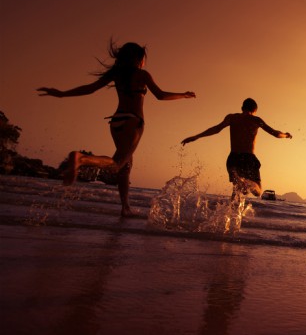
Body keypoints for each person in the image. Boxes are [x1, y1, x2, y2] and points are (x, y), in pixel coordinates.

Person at [38, 40, 196, 217]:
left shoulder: (116, 74)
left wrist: (61, 94)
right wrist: (183, 95)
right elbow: (160, 95)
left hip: (116, 121)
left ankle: (125, 208)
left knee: (126, 165)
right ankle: (81, 159)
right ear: (138, 59)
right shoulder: (142, 74)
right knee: (117, 164)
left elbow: (89, 89)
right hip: (133, 122)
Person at [181, 98, 292, 199]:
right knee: (257, 190)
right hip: (248, 158)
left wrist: (197, 136)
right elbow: (275, 134)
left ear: (242, 108)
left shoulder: (232, 118)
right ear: (254, 110)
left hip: (233, 158)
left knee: (236, 192)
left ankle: (230, 217)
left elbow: (216, 129)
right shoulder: (256, 120)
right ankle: (245, 182)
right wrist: (286, 135)